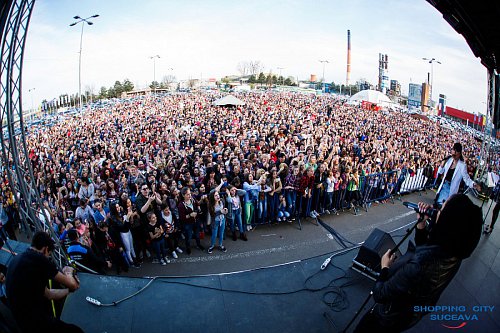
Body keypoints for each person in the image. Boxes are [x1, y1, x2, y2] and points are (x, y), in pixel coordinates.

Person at [354, 194, 482, 333]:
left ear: (447, 222)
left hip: (385, 319)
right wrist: (421, 224)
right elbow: (427, 249)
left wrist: (384, 266)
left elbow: (380, 294)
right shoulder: (452, 252)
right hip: (407, 316)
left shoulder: (419, 266)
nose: (436, 210)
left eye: (441, 210)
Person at [5, 231, 83, 333]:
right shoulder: (39, 259)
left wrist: (68, 291)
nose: (48, 258)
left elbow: (49, 294)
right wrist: (69, 272)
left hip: (22, 322)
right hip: (34, 320)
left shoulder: (20, 258)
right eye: (49, 255)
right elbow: (73, 284)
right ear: (45, 249)